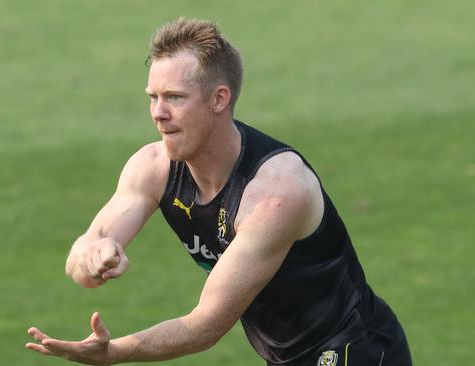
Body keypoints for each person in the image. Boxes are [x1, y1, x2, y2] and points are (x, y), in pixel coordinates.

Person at [25, 18, 413, 366]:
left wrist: (115, 352)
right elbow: (82, 262)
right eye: (153, 97)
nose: (158, 112)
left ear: (219, 99)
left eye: (174, 97)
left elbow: (205, 326)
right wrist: (93, 255)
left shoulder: (275, 193)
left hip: (352, 348)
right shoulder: (153, 167)